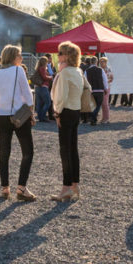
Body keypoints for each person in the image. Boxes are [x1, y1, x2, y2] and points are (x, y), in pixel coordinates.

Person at [0, 45, 37, 201]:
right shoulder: (18, 70)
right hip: (19, 116)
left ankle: (5, 188)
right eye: (20, 55)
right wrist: (31, 113)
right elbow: (27, 94)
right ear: (13, 57)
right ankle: (21, 188)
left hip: (1, 116)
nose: (21, 58)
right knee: (27, 152)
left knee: (4, 152)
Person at [51, 41, 86, 202]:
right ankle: (74, 184)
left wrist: (57, 113)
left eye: (59, 53)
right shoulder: (78, 71)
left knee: (65, 150)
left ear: (66, 56)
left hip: (65, 112)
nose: (57, 56)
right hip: (76, 110)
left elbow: (61, 96)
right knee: (73, 149)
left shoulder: (65, 73)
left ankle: (66, 188)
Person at [84, 57, 107, 125]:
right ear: (96, 62)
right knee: (98, 105)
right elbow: (105, 80)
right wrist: (105, 88)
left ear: (91, 62)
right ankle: (93, 118)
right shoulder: (101, 70)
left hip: (91, 91)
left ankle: (93, 118)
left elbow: (85, 81)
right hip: (100, 90)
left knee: (92, 105)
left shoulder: (87, 71)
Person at [34, 56, 52, 122]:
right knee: (48, 102)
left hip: (37, 87)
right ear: (45, 62)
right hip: (43, 87)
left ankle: (40, 117)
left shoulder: (38, 68)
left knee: (39, 104)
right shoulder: (42, 68)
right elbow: (44, 77)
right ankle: (42, 116)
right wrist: (51, 77)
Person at [99, 57, 113, 122]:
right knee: (103, 103)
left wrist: (105, 81)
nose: (101, 63)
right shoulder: (100, 69)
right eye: (100, 62)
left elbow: (111, 79)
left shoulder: (108, 69)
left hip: (106, 88)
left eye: (102, 62)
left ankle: (106, 118)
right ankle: (103, 117)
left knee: (105, 103)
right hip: (101, 87)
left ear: (105, 62)